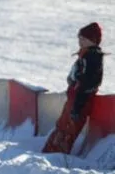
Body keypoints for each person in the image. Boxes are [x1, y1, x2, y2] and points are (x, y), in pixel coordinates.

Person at [43, 22, 104, 155]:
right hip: (73, 100)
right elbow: (73, 77)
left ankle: (58, 157)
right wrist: (73, 77)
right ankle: (48, 154)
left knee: (68, 131)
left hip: (80, 102)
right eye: (79, 38)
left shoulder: (93, 57)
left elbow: (89, 83)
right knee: (61, 127)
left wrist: (77, 106)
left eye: (83, 39)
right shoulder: (84, 55)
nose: (80, 41)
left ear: (92, 40)